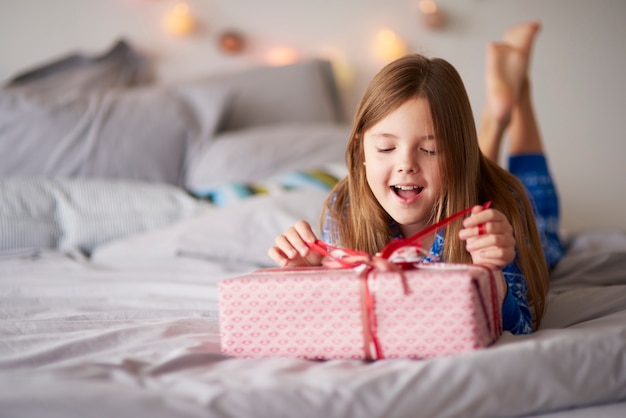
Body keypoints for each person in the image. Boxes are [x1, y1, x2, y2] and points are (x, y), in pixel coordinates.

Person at [267, 21, 564, 334]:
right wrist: (306, 280)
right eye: (385, 148)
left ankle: (519, 94)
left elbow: (521, 325)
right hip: (460, 177)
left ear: (459, 155)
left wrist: (492, 276)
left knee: (536, 208)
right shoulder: (346, 211)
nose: (405, 164)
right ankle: (497, 111)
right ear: (360, 151)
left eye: (429, 150)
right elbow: (337, 321)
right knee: (461, 176)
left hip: (497, 202)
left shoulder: (502, 210)